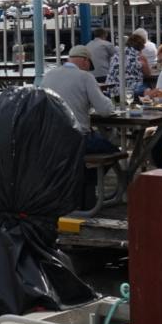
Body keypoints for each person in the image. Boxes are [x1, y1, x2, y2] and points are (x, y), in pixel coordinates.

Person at [43, 45, 119, 208]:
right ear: (85, 61)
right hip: (77, 139)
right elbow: (106, 110)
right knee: (114, 151)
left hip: (49, 140)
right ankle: (88, 184)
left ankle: (80, 188)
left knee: (94, 148)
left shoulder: (48, 76)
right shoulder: (85, 77)